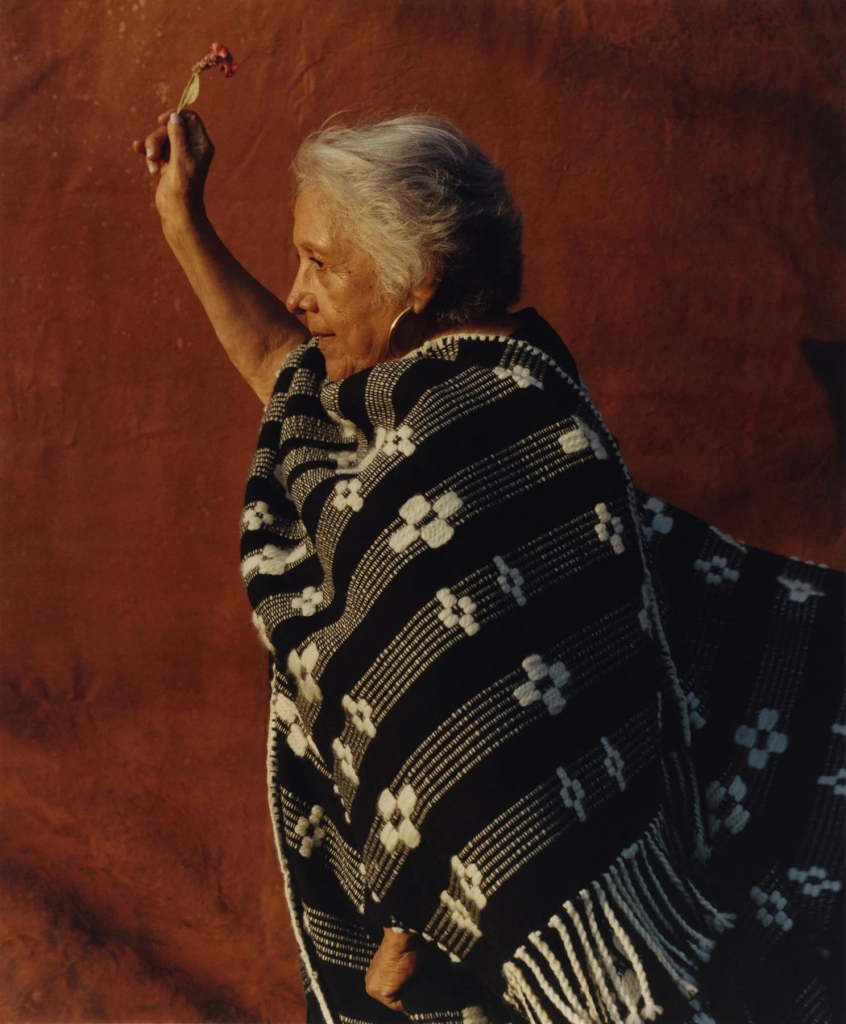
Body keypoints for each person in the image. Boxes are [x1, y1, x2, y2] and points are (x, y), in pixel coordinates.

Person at [132, 109, 844, 1023]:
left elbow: (487, 719)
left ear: (417, 281)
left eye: (322, 264)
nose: (299, 294)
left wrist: (426, 913)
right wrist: (182, 220)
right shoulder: (388, 403)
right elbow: (286, 376)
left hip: (543, 956)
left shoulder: (495, 419)